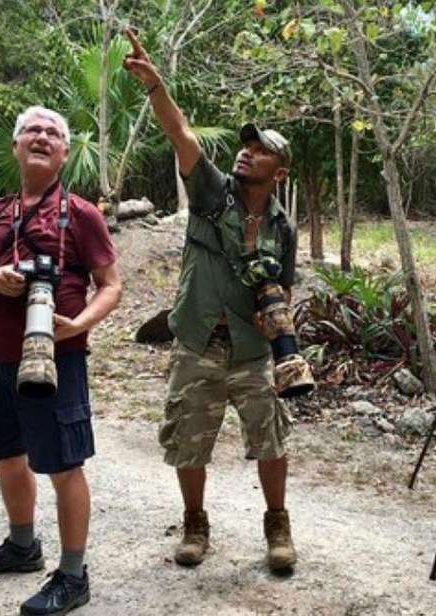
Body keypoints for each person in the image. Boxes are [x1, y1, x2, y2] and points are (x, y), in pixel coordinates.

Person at [121, 28, 298, 573]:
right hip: (198, 339)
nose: (248, 153)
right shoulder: (211, 191)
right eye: (246, 146)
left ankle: (277, 525)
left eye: (261, 149)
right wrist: (157, 88)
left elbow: (283, 289)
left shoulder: (282, 226)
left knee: (270, 438)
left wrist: (284, 340)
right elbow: (181, 135)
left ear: (279, 170)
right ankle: (195, 523)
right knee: (189, 439)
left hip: (249, 347)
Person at [0, 105, 120, 615]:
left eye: (52, 132)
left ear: (64, 152)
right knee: (6, 453)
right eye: (32, 131)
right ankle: (22, 547)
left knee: (64, 463)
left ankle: (72, 574)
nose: (41, 137)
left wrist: (81, 323)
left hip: (57, 357)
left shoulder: (81, 214)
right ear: (16, 146)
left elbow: (111, 285)